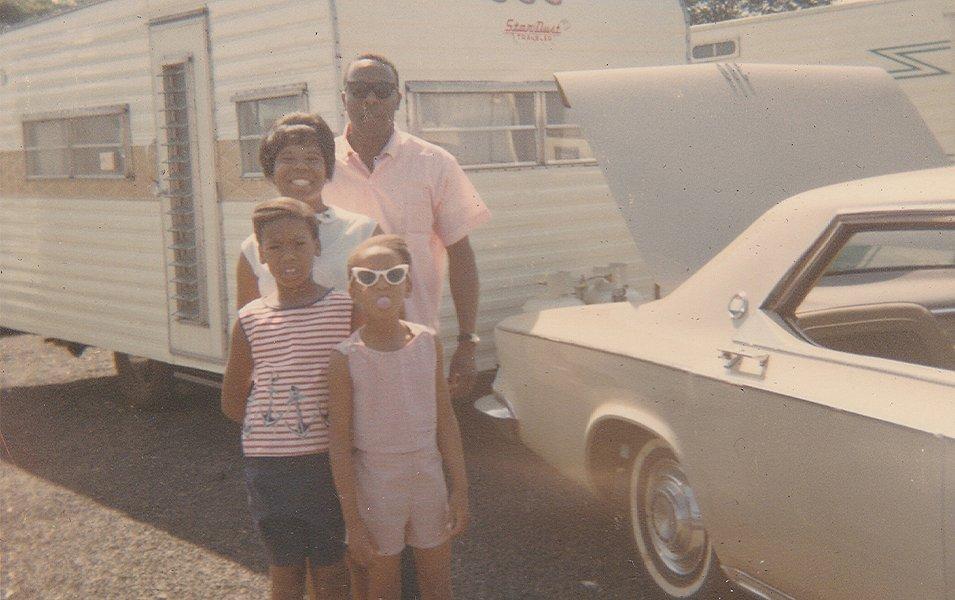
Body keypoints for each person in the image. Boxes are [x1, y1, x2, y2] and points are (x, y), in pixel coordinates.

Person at [323, 53, 491, 399]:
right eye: (359, 89)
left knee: (416, 443)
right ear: (344, 99)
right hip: (336, 345)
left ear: (398, 99)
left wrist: (467, 342)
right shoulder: (321, 165)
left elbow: (461, 255)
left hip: (413, 341)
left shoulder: (435, 163)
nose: (370, 98)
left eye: (382, 90)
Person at [222, 198, 354, 600]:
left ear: (317, 245)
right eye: (275, 247)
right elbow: (232, 402)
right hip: (271, 471)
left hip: (328, 466)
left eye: (298, 243)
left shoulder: (344, 308)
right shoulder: (250, 320)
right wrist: (273, 425)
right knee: (286, 570)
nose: (288, 255)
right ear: (261, 254)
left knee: (331, 571)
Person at [327, 235, 469, 600]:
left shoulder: (427, 342)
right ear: (353, 290)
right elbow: (340, 443)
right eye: (368, 277)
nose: (382, 285)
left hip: (427, 479)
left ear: (407, 283)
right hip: (377, 486)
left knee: (438, 584)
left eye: (393, 274)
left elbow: (446, 422)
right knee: (383, 586)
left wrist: (461, 490)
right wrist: (353, 520)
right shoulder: (346, 357)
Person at [237, 112, 380, 308]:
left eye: (312, 158)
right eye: (288, 159)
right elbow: (248, 329)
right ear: (271, 169)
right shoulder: (253, 248)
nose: (301, 167)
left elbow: (393, 318)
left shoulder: (364, 233)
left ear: (327, 168)